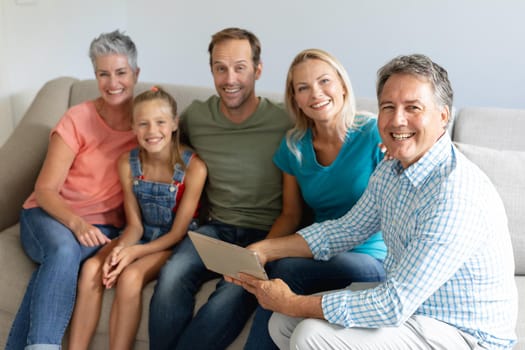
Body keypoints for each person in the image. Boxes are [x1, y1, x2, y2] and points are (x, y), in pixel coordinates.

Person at [235, 54, 518, 349]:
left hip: (465, 335)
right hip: (417, 314)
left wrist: (294, 302)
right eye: (388, 107)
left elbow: (392, 304)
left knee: (309, 334)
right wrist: (264, 250)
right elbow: (344, 230)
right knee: (282, 324)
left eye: (413, 108)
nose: (397, 120)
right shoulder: (391, 169)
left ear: (443, 116)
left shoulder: (455, 195)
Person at [148, 27, 291, 350]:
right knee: (171, 277)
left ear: (258, 69)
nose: (230, 78)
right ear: (211, 69)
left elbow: (329, 123)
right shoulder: (197, 116)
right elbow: (160, 144)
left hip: (266, 234)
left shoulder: (283, 120)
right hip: (214, 230)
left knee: (233, 293)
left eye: (240, 67)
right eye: (220, 68)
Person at [243, 48, 386, 350]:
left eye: (324, 81)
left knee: (287, 271)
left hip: (371, 260)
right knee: (270, 283)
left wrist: (271, 253)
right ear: (294, 99)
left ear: (343, 85)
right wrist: (256, 257)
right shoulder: (294, 145)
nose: (316, 94)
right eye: (303, 88)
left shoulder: (375, 133)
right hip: (319, 251)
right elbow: (290, 215)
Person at [6, 30, 141, 350]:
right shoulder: (76, 119)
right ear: (95, 75)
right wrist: (77, 224)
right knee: (64, 252)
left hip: (105, 227)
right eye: (103, 74)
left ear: (136, 73)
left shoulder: (147, 121)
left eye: (121, 72)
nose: (113, 83)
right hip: (49, 215)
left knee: (55, 268)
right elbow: (46, 189)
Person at [67, 86, 207, 349]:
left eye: (160, 122)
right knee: (91, 268)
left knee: (130, 277)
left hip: (175, 241)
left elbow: (177, 234)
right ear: (133, 127)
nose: (152, 131)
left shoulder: (194, 168)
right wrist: (120, 250)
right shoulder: (127, 163)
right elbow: (134, 225)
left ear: (175, 123)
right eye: (143, 124)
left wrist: (133, 256)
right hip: (141, 234)